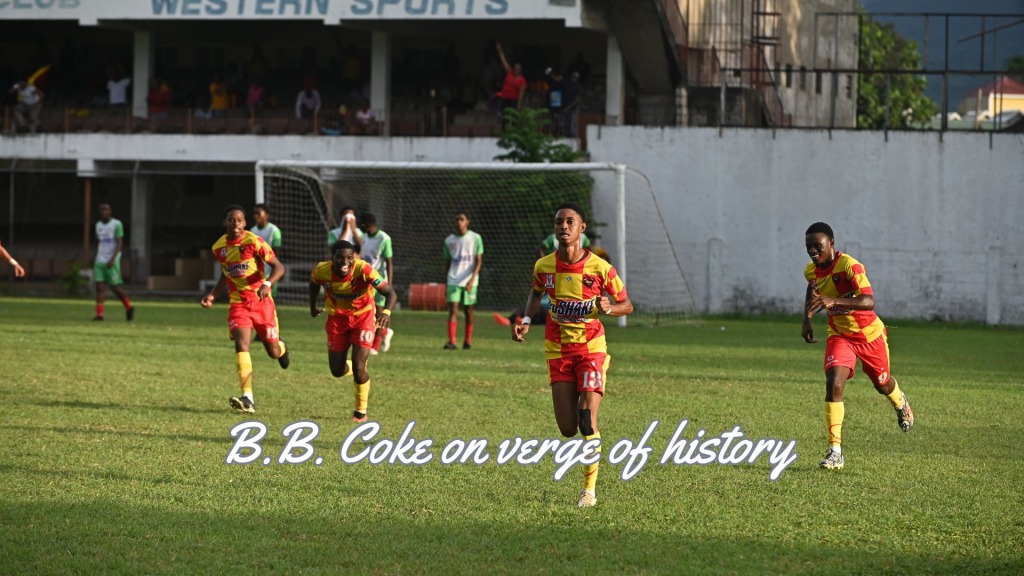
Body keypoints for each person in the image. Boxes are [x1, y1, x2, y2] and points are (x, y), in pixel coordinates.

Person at [511, 203, 632, 508]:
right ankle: (581, 396)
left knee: (587, 420)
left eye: (570, 222)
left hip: (591, 349)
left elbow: (626, 304)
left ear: (581, 228)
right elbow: (537, 292)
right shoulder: (543, 266)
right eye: (558, 222)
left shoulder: (601, 269)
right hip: (558, 350)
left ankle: (588, 492)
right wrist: (525, 322)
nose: (563, 226)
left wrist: (611, 308)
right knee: (568, 429)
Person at [802, 222, 914, 471]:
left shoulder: (850, 266)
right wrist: (806, 321)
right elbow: (812, 292)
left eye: (817, 246)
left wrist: (834, 300)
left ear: (831, 243)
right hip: (840, 335)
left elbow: (868, 300)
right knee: (834, 382)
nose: (812, 251)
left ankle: (900, 402)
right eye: (808, 247)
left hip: (870, 336)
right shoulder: (811, 271)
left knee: (882, 384)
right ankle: (835, 451)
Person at [201, 205, 290, 414]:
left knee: (273, 351)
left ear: (244, 223)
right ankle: (248, 398)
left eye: (240, 220)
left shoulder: (254, 241)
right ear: (225, 223)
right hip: (238, 304)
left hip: (261, 303)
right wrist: (213, 294)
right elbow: (226, 273)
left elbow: (279, 267)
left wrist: (267, 285)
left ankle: (282, 348)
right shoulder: (219, 247)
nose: (236, 224)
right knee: (242, 345)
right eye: (232, 220)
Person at [309, 240, 397, 422]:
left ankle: (360, 412)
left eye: (349, 257)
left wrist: (386, 313)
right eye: (340, 257)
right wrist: (312, 306)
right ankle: (356, 364)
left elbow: (390, 292)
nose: (345, 262)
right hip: (337, 321)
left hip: (363, 318)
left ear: (354, 257)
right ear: (332, 258)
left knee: (359, 367)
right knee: (336, 370)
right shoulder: (321, 270)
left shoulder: (363, 269)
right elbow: (313, 283)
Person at [443, 212, 483, 350]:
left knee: (468, 310)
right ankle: (452, 342)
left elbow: (478, 261)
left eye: (462, 219)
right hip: (453, 280)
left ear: (467, 222)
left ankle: (467, 341)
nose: (459, 222)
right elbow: (447, 262)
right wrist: (446, 282)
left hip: (469, 281)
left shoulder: (475, 238)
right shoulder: (449, 240)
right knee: (453, 310)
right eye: (457, 219)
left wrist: (472, 280)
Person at [358, 212, 395, 355]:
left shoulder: (384, 238)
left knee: (379, 313)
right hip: (366, 282)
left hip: (379, 281)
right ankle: (385, 332)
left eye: (361, 223)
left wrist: (389, 284)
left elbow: (389, 262)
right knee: (369, 314)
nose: (359, 227)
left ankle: (375, 346)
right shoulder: (363, 238)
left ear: (367, 224)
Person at [93, 203, 134, 322]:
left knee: (115, 287)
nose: (104, 212)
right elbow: (100, 241)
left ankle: (129, 307)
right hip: (100, 259)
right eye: (101, 210)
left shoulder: (117, 224)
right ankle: (100, 315)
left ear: (110, 211)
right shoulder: (98, 225)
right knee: (99, 287)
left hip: (112, 260)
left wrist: (113, 259)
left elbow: (119, 242)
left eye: (106, 209)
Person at [250, 203, 282, 298]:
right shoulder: (252, 231)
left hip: (270, 269)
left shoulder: (274, 230)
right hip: (256, 271)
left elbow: (276, 253)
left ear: (266, 215)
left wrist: (275, 270)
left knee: (270, 298)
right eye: (254, 213)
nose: (256, 216)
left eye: (258, 213)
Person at [494, 42, 526, 117]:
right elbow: (504, 61)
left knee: (513, 117)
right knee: (504, 116)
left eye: (518, 68)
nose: (516, 69)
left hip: (513, 100)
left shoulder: (522, 80)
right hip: (505, 98)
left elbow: (521, 94)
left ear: (521, 70)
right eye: (515, 68)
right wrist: (500, 51)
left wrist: (519, 104)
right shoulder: (509, 73)